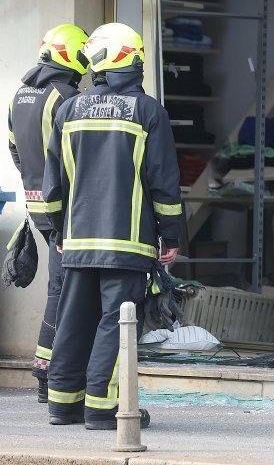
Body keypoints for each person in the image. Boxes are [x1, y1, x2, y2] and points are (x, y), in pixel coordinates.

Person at [42, 22, 183, 430]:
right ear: (131, 60)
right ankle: (103, 408)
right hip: (128, 241)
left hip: (77, 241)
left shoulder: (69, 110)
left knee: (74, 318)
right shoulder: (148, 111)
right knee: (116, 323)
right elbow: (163, 183)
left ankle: (62, 403)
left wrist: (58, 232)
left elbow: (53, 186)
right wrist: (170, 236)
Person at [8, 24, 89, 403]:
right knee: (63, 292)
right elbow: (74, 158)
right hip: (64, 211)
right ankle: (48, 375)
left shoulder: (19, 95)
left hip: (36, 207)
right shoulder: (65, 96)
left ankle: (52, 373)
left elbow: (16, 151)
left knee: (59, 289)